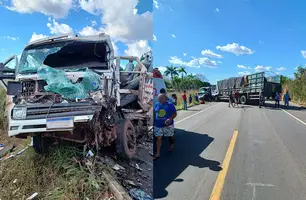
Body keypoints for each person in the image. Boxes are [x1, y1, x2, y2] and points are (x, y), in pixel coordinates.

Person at [153, 94, 177, 160]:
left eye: (161, 99)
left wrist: (170, 119)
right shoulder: (156, 104)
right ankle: (158, 153)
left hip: (168, 125)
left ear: (164, 98)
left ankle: (172, 144)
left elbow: (175, 114)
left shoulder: (170, 105)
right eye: (158, 99)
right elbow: (154, 113)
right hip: (158, 125)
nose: (159, 100)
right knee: (158, 138)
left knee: (170, 136)